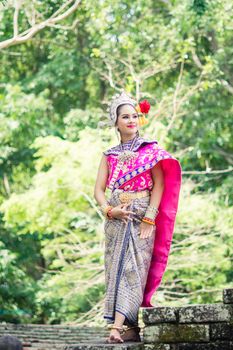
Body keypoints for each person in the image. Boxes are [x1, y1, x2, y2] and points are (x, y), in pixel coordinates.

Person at [94, 90, 182, 343]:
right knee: (115, 269)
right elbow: (98, 191)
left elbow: (160, 185)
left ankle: (115, 328)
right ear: (116, 122)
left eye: (134, 116)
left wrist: (149, 218)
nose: (131, 120)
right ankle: (130, 328)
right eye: (125, 117)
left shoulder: (150, 150)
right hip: (115, 219)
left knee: (134, 270)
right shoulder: (108, 154)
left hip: (142, 216)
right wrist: (110, 210)